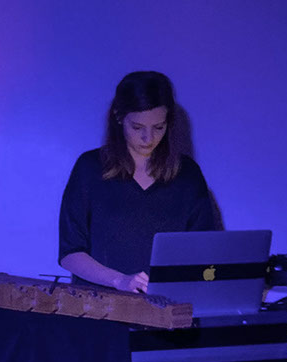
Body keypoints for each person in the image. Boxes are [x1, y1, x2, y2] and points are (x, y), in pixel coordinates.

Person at [59, 71, 218, 293]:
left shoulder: (188, 175)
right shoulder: (90, 168)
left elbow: (205, 251)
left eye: (158, 127)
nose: (148, 138)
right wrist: (119, 281)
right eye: (137, 127)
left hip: (168, 307)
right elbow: (70, 253)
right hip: (99, 306)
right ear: (118, 117)